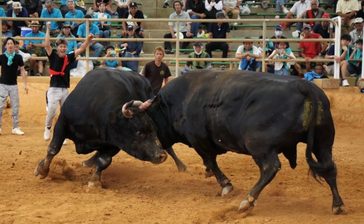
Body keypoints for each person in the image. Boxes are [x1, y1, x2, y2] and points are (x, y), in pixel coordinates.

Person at [43, 22, 93, 141]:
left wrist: (88, 39)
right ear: (58, 47)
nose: (63, 48)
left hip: (64, 89)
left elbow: (81, 48)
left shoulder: (68, 57)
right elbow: (46, 44)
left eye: (64, 46)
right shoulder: (52, 55)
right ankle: (47, 127)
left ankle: (64, 133)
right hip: (54, 88)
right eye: (61, 46)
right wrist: (48, 29)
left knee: (66, 113)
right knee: (51, 111)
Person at [0, 37, 28, 135]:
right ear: (5, 46)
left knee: (15, 107)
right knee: (0, 106)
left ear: (14, 46)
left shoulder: (18, 57)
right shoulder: (2, 57)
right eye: (8, 44)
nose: (10, 45)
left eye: (11, 43)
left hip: (13, 85)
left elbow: (22, 70)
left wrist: (25, 84)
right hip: (2, 85)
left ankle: (15, 127)